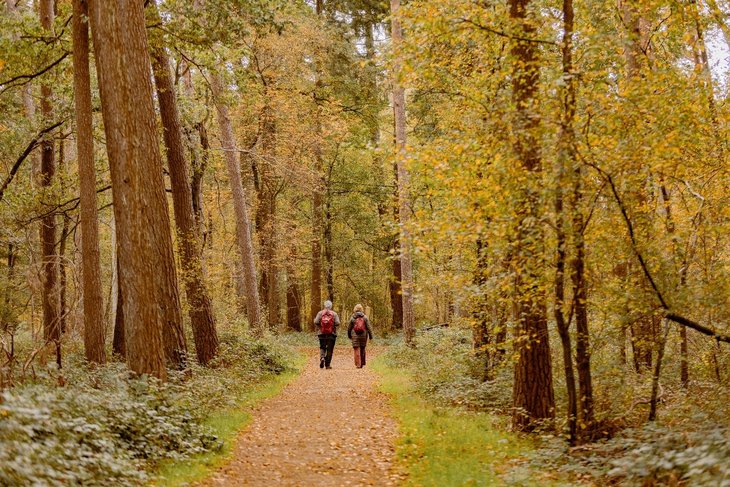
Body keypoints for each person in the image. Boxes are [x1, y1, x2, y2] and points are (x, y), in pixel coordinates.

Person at [314, 300, 340, 369]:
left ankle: (322, 357)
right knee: (330, 349)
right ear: (331, 306)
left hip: (321, 333)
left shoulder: (320, 313)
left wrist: (321, 326)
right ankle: (327, 365)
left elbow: (316, 321)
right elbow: (337, 323)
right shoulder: (334, 314)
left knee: (322, 347)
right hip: (332, 334)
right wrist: (332, 326)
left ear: (324, 306)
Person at [347, 304, 373, 368]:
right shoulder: (365, 317)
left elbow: (349, 328)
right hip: (363, 335)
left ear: (355, 309)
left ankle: (358, 364)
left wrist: (349, 335)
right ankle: (362, 363)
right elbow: (369, 327)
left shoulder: (353, 317)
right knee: (362, 349)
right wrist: (371, 336)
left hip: (355, 335)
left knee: (356, 349)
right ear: (361, 309)